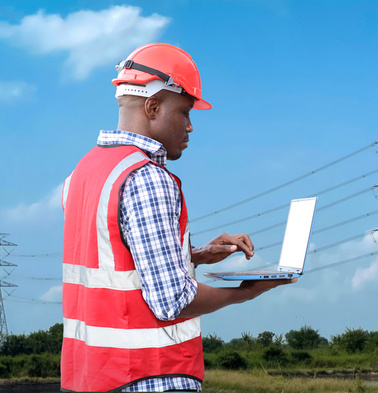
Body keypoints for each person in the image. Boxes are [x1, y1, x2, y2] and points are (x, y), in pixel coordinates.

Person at [60, 42, 295, 392]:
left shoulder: (82, 173)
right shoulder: (147, 178)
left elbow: (120, 265)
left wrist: (195, 257)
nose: (190, 126)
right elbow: (174, 301)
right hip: (149, 376)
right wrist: (246, 292)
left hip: (90, 378)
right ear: (152, 106)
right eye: (185, 112)